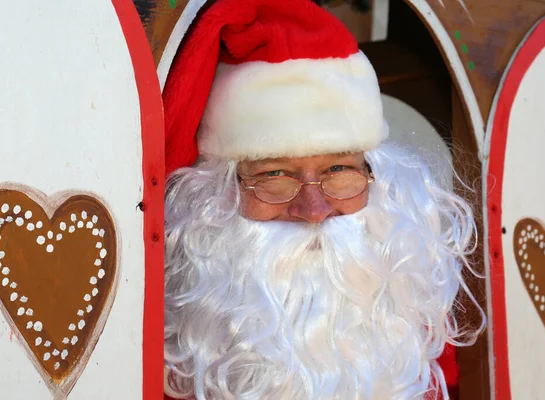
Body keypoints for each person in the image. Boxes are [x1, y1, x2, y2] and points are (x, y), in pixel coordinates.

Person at [162, 0, 484, 398]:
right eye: (274, 176)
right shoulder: (162, 349)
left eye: (339, 171)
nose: (314, 211)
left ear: (377, 178)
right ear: (215, 197)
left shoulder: (410, 319)